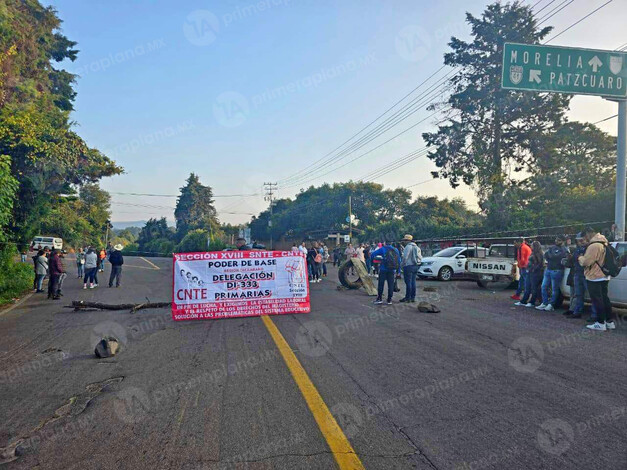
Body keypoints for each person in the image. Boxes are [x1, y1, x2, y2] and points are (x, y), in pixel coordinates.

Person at [578, 227, 616, 331]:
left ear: (589, 233)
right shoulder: (604, 242)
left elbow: (586, 262)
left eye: (585, 235)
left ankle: (600, 322)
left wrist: (580, 257)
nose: (585, 238)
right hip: (604, 275)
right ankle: (609, 321)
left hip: (595, 276)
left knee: (597, 300)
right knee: (605, 299)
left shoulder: (594, 245)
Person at [537, 235, 569, 311]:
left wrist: (551, 255)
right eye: (556, 240)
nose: (556, 241)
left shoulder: (564, 249)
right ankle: (544, 302)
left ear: (563, 241)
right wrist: (552, 255)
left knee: (555, 289)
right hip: (549, 269)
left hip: (557, 270)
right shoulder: (552, 247)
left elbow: (556, 257)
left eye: (559, 240)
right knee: (544, 286)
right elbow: (546, 255)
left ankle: (551, 304)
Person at [564, 232, 588, 319]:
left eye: (582, 240)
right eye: (579, 240)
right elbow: (574, 260)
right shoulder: (577, 249)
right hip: (577, 272)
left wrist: (579, 257)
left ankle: (596, 315)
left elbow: (585, 261)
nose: (580, 242)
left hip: (585, 273)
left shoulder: (588, 248)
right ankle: (577, 311)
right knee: (578, 294)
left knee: (593, 296)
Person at [517, 241, 545, 307]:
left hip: (535, 273)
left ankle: (532, 301)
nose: (531, 246)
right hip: (530, 271)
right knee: (527, 287)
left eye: (532, 245)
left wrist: (533, 269)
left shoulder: (539, 254)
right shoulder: (533, 253)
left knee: (533, 287)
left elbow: (540, 264)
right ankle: (524, 300)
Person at [399, 234, 422, 303]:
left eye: (404, 240)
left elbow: (405, 257)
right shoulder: (417, 247)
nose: (404, 242)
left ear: (407, 241)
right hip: (416, 266)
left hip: (409, 266)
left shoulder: (408, 247)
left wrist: (402, 265)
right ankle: (412, 297)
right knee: (413, 282)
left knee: (408, 282)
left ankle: (407, 297)